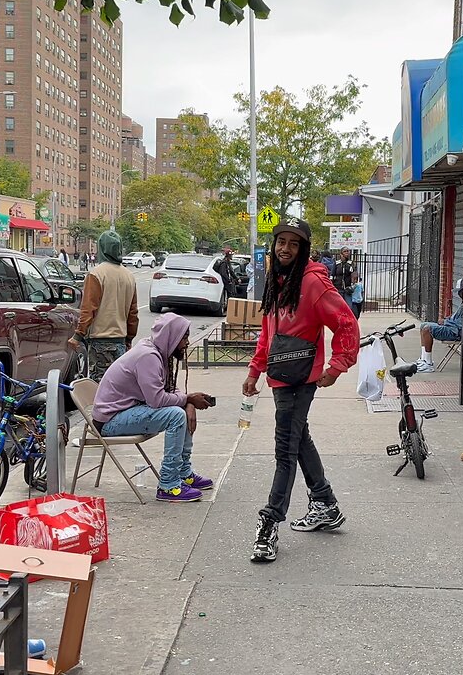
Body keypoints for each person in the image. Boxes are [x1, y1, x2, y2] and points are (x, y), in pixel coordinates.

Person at [243, 216, 360, 563]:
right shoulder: (277, 280)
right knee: (298, 438)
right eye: (282, 241)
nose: (286, 248)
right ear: (274, 243)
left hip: (302, 378)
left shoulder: (312, 283)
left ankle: (269, 524)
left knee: (285, 449)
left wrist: (338, 365)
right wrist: (254, 369)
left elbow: (346, 322)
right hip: (280, 375)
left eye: (295, 244)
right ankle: (325, 502)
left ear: (303, 248)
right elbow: (269, 331)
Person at [91, 313, 215, 502]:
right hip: (110, 421)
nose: (187, 343)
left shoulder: (158, 352)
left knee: (180, 409)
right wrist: (187, 399)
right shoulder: (148, 356)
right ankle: (168, 484)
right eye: (184, 337)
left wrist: (188, 402)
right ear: (170, 337)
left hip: (124, 412)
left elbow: (169, 388)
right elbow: (156, 400)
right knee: (175, 415)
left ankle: (183, 473)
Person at [69, 230, 139, 381]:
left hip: (100, 342)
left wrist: (77, 335)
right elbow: (133, 314)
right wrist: (129, 339)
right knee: (118, 387)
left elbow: (88, 310)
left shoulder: (96, 274)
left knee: (99, 389)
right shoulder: (129, 277)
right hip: (120, 342)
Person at [415, 279, 463, 372]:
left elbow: (461, 324)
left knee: (427, 329)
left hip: (455, 332)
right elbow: (456, 318)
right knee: (423, 325)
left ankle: (428, 364)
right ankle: (424, 359)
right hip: (452, 327)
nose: (458, 294)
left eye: (460, 291)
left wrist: (445, 322)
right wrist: (447, 320)